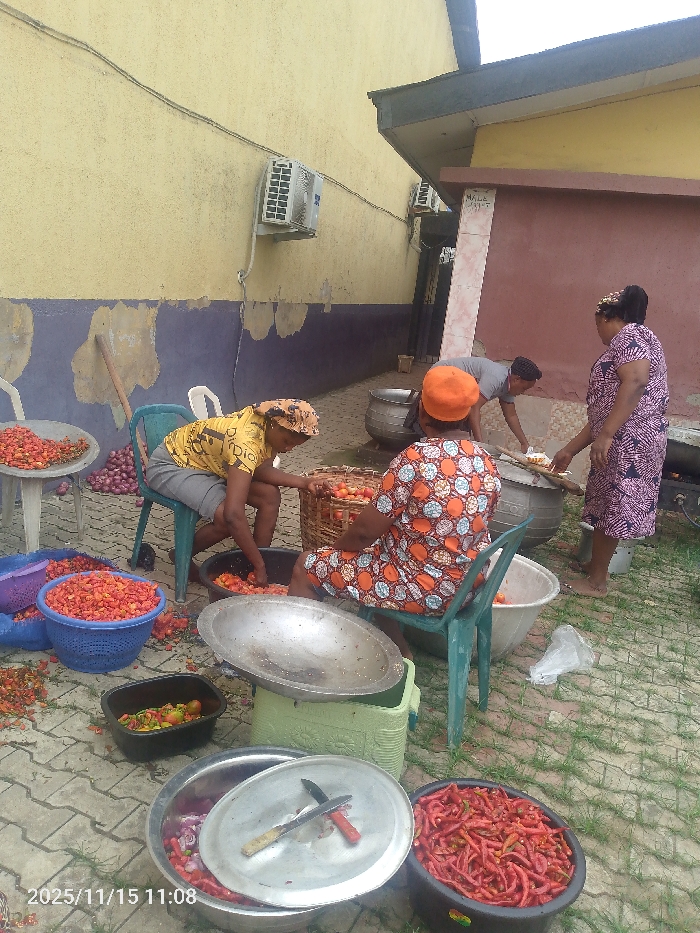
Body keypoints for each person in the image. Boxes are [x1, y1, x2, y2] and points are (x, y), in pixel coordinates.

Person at [288, 367, 502, 657]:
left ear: (422, 411)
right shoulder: (486, 460)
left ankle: (296, 654)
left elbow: (364, 533)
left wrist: (334, 550)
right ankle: (401, 653)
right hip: (468, 584)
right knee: (382, 555)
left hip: (424, 590)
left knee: (306, 565)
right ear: (468, 412)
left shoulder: (414, 460)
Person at [551, 286, 668, 597]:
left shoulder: (631, 334)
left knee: (615, 505)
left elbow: (637, 381)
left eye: (597, 323)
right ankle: (596, 567)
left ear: (607, 317)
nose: (597, 331)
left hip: (631, 439)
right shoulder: (630, 340)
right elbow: (606, 410)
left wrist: (606, 435)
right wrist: (570, 450)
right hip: (623, 435)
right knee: (607, 503)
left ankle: (596, 583)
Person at [146, 399, 329, 586]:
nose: (288, 449)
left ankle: (255, 564)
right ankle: (181, 555)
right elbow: (233, 515)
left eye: (294, 446)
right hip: (171, 465)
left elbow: (260, 469)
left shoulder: (267, 425)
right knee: (225, 519)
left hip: (209, 465)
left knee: (269, 496)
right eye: (287, 442)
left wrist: (305, 483)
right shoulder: (246, 441)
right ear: (275, 424)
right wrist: (260, 566)